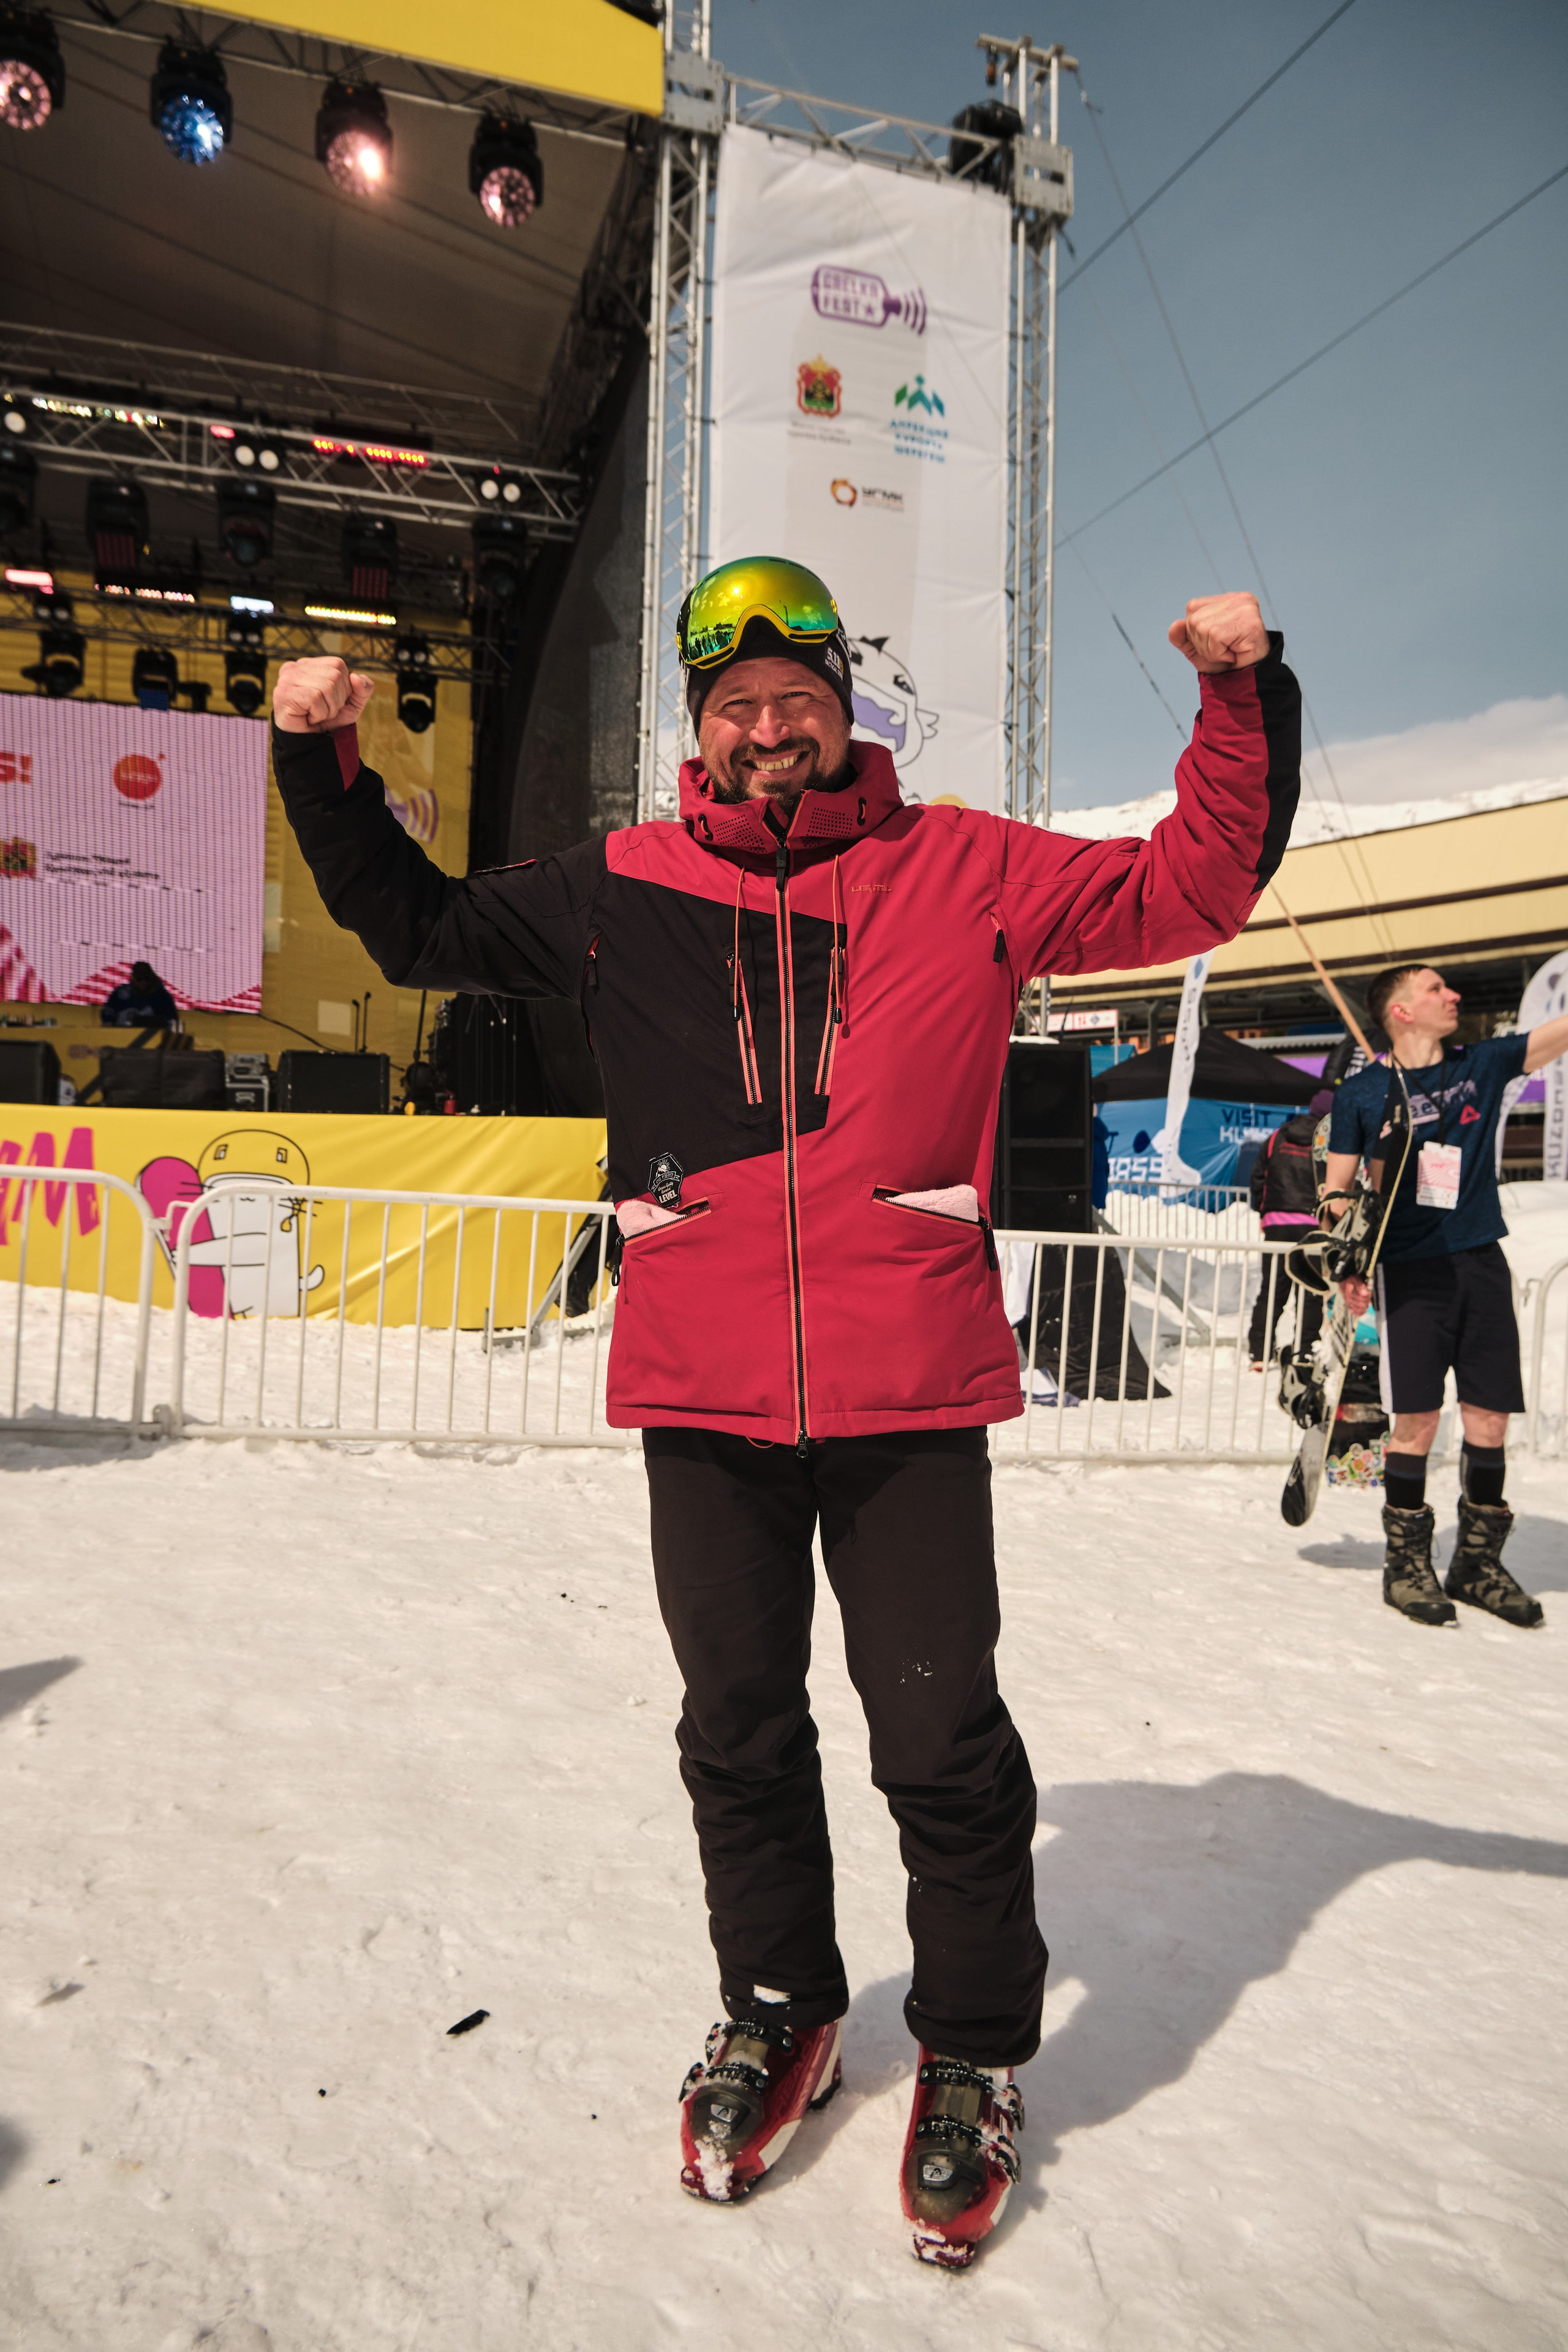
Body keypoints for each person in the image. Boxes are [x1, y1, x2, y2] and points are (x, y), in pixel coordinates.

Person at [269, 559, 1302, 2268]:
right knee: (735, 1728)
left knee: (938, 1739)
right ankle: (778, 2003)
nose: (767, 728)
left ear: (844, 705)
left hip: (906, 1384)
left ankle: (969, 2046)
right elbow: (418, 930)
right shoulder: (625, 880)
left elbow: (1192, 888)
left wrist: (1235, 696)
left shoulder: (965, 862)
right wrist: (322, 763)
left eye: (795, 699)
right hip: (703, 1379)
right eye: (734, 707)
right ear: (702, 729)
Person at [1325, 965, 1568, 1629]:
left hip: (1480, 1260)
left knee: (1489, 1420)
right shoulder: (1363, 1092)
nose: (1453, 995)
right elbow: (1335, 1191)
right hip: (1409, 1269)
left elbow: (1558, 1035)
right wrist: (1344, 1249)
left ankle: (1476, 1565)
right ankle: (1405, 1565)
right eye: (1436, 990)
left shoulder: (1482, 1064)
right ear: (1401, 1012)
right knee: (1418, 1424)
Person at [1246, 1088, 1331, 1370]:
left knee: (1272, 1290)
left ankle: (1259, 1353)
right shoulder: (1330, 1142)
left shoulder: (1278, 1137)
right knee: (1310, 1291)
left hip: (1277, 1225)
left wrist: (1264, 1211)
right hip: (1313, 1226)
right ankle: (1304, 1351)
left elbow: (1259, 1176)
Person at [100, 959, 177, 1028]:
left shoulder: (162, 997)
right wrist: (109, 1022)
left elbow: (172, 1020)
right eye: (139, 979)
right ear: (133, 978)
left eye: (146, 979)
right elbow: (108, 1012)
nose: (143, 982)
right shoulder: (120, 994)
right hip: (121, 1036)